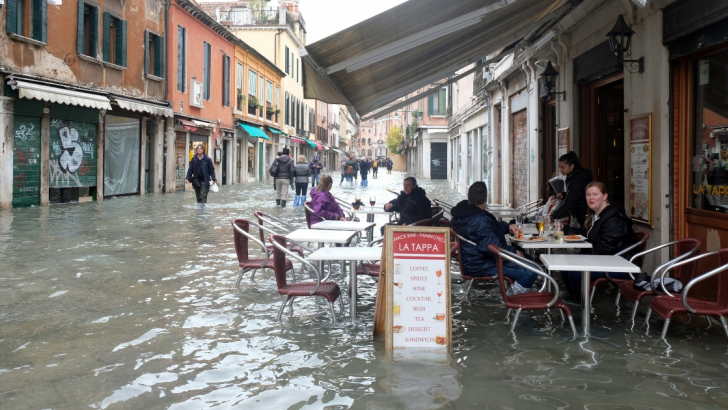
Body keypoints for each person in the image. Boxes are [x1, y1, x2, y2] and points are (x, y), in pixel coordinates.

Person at [451, 181, 536, 294]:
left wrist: (508, 227)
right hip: (481, 264)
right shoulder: (480, 219)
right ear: (486, 198)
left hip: (472, 261)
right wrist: (514, 252)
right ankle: (510, 298)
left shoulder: (464, 214)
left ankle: (514, 290)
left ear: (468, 197)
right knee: (532, 271)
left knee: (528, 260)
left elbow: (489, 231)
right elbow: (491, 246)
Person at [560, 181, 637, 296]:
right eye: (588, 195)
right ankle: (575, 298)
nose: (591, 198)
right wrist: (565, 230)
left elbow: (606, 249)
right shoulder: (598, 215)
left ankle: (580, 302)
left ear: (605, 196)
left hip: (619, 264)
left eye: (595, 194)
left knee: (574, 271)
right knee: (564, 264)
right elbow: (587, 234)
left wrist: (581, 259)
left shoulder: (613, 217)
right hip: (604, 259)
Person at [551, 151, 593, 228]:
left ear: (571, 166)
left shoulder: (578, 179)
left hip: (585, 213)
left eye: (562, 167)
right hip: (582, 213)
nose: (560, 170)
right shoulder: (573, 176)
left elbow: (570, 202)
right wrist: (564, 195)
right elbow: (577, 193)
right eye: (559, 167)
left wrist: (552, 217)